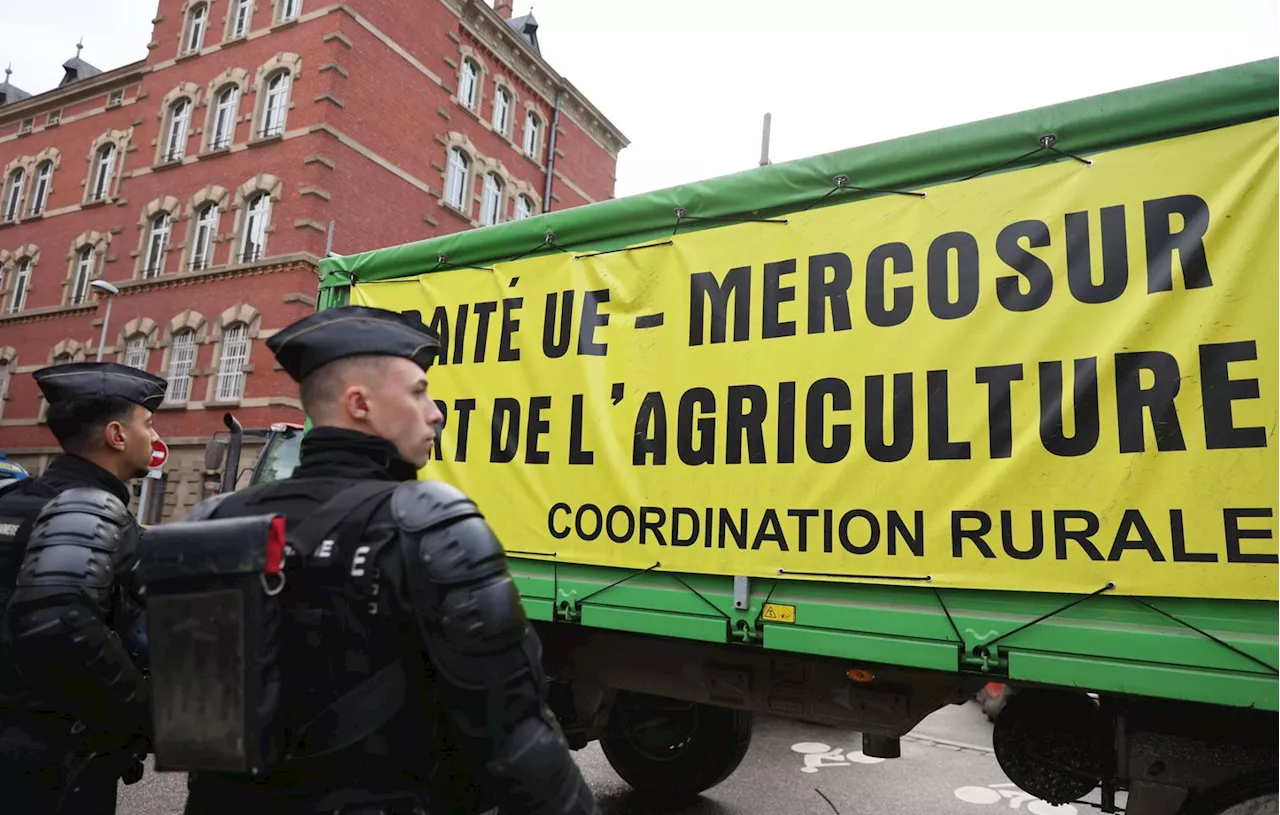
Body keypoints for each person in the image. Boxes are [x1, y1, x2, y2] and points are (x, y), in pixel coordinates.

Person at [158, 305, 598, 815]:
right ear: (359, 403)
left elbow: (195, 725)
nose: (436, 412)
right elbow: (519, 738)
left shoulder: (214, 519)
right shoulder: (430, 522)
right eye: (417, 391)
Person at [0, 361, 166, 814]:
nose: (153, 438)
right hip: (54, 760)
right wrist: (137, 715)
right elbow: (63, 624)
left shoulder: (13, 501)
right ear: (116, 435)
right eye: (147, 425)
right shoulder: (98, 517)